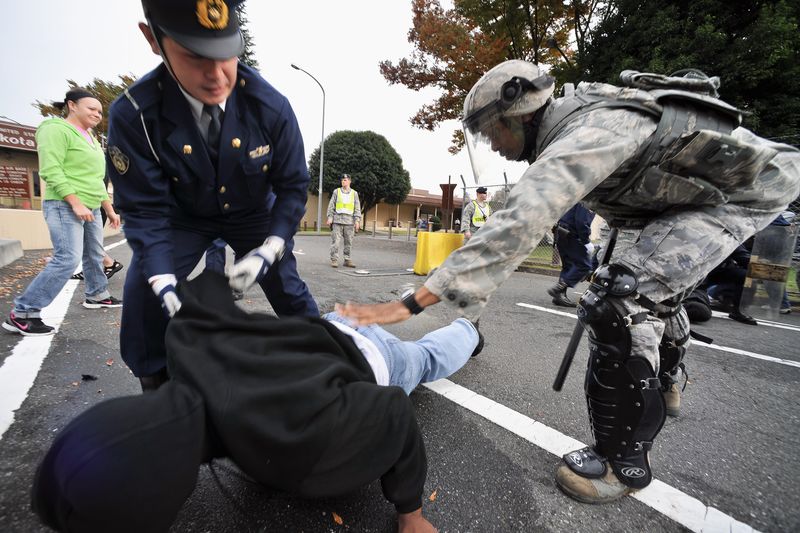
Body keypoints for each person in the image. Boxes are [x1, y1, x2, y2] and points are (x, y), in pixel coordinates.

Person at [338, 60, 800, 503]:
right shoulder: (576, 126)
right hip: (681, 201)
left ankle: (623, 464)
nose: (491, 145)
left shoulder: (589, 129)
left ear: (517, 112)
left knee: (616, 302)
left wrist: (415, 301)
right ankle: (667, 377)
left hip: (741, 194)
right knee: (642, 290)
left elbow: (522, 217)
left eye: (490, 131)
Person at [31, 271, 482, 533]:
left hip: (373, 359)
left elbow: (392, 412)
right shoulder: (185, 341)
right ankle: (466, 331)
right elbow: (205, 291)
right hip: (324, 327)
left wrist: (410, 514)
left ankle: (470, 331)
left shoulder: (298, 446)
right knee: (421, 357)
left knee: (423, 360)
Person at [106, 0, 319, 392]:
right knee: (142, 289)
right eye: (194, 56)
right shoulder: (135, 115)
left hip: (253, 213)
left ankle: (327, 358)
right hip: (184, 216)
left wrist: (271, 248)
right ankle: (156, 382)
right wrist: (161, 279)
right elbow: (144, 208)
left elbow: (292, 186)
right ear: (153, 39)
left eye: (226, 54)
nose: (217, 75)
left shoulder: (270, 106)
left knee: (287, 286)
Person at [3, 89, 122, 337]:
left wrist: (109, 209)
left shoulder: (89, 137)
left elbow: (96, 179)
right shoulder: (55, 129)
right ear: (72, 105)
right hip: (64, 204)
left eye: (100, 111)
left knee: (94, 253)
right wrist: (74, 201)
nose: (97, 114)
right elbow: (51, 169)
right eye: (91, 108)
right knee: (67, 258)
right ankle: (23, 313)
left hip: (89, 205)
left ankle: (97, 294)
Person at [71, 173, 124, 281]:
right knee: (89, 242)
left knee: (88, 242)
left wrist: (109, 210)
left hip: (93, 206)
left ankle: (109, 263)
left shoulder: (98, 160)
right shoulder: (99, 159)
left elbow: (98, 184)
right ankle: (94, 273)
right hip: (93, 205)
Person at [547, 203, 595, 307]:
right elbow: (582, 221)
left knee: (568, 266)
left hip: (560, 232)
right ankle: (559, 288)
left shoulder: (579, 195)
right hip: (571, 234)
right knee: (584, 266)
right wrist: (586, 241)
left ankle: (559, 296)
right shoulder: (589, 199)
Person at [326, 173, 361, 267]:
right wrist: (330, 217)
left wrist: (357, 221)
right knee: (335, 242)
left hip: (349, 222)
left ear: (349, 181)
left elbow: (357, 208)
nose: (343, 181)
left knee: (348, 242)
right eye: (342, 180)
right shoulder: (336, 192)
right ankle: (334, 259)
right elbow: (331, 205)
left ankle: (347, 259)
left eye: (345, 180)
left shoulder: (354, 193)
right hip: (337, 221)